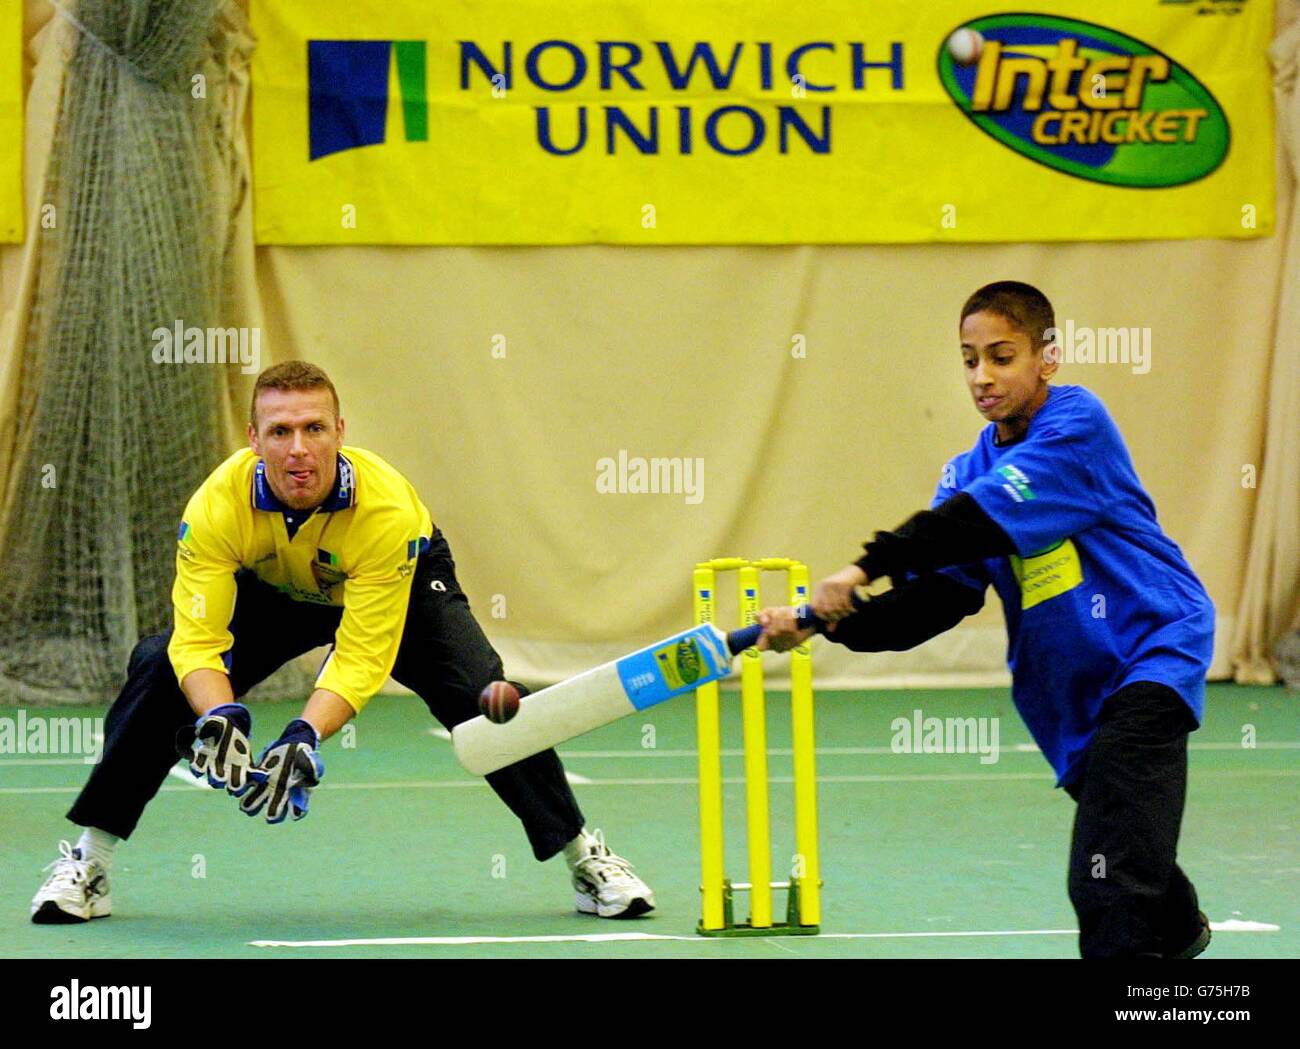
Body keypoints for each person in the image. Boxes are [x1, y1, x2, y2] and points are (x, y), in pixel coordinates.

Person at [31, 361, 654, 923]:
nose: (298, 449)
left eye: (314, 429)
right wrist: (218, 714)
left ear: (339, 432)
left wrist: (302, 736)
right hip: (274, 584)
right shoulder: (218, 507)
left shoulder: (386, 512)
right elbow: (198, 640)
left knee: (483, 698)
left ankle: (584, 855)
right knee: (159, 670)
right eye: (279, 431)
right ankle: (90, 864)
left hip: (392, 583)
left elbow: (361, 654)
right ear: (254, 440)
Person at [758, 281, 1214, 959]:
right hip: (1070, 693)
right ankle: (1181, 932)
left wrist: (860, 568)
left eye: (1002, 356)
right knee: (1129, 847)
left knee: (1107, 877)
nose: (982, 376)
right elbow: (937, 600)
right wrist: (828, 623)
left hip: (1151, 653)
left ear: (1046, 358)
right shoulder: (969, 468)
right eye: (970, 358)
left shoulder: (1077, 425)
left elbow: (973, 520)